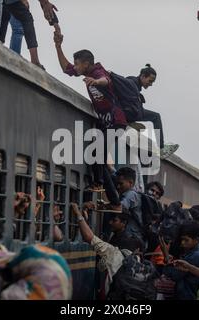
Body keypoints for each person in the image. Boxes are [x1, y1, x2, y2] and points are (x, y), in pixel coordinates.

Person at [53, 32, 127, 207]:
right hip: (106, 122)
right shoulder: (83, 71)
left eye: (78, 64)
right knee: (98, 158)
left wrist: (95, 81)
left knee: (96, 154)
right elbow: (66, 68)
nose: (76, 67)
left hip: (116, 121)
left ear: (86, 63)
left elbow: (105, 80)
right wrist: (58, 46)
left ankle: (100, 184)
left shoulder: (96, 70)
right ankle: (112, 196)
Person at [70, 203, 149, 299]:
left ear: (124, 223)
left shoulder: (116, 252)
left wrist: (78, 213)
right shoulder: (134, 262)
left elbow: (90, 238)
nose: (110, 223)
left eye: (114, 220)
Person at [127, 65, 179, 159]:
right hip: (130, 112)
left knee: (154, 116)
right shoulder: (132, 82)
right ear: (143, 76)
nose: (150, 84)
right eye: (150, 81)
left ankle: (131, 123)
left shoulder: (135, 84)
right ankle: (161, 148)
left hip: (133, 112)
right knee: (156, 116)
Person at [164, 221, 199, 300]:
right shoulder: (190, 253)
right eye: (182, 239)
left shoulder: (195, 256)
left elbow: (173, 275)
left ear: (196, 240)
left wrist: (167, 260)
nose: (182, 243)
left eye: (186, 240)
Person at [115, 167, 145, 243]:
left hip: (131, 237)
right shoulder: (131, 194)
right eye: (117, 184)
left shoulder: (131, 195)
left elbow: (119, 208)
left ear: (131, 183)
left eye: (121, 184)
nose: (118, 187)